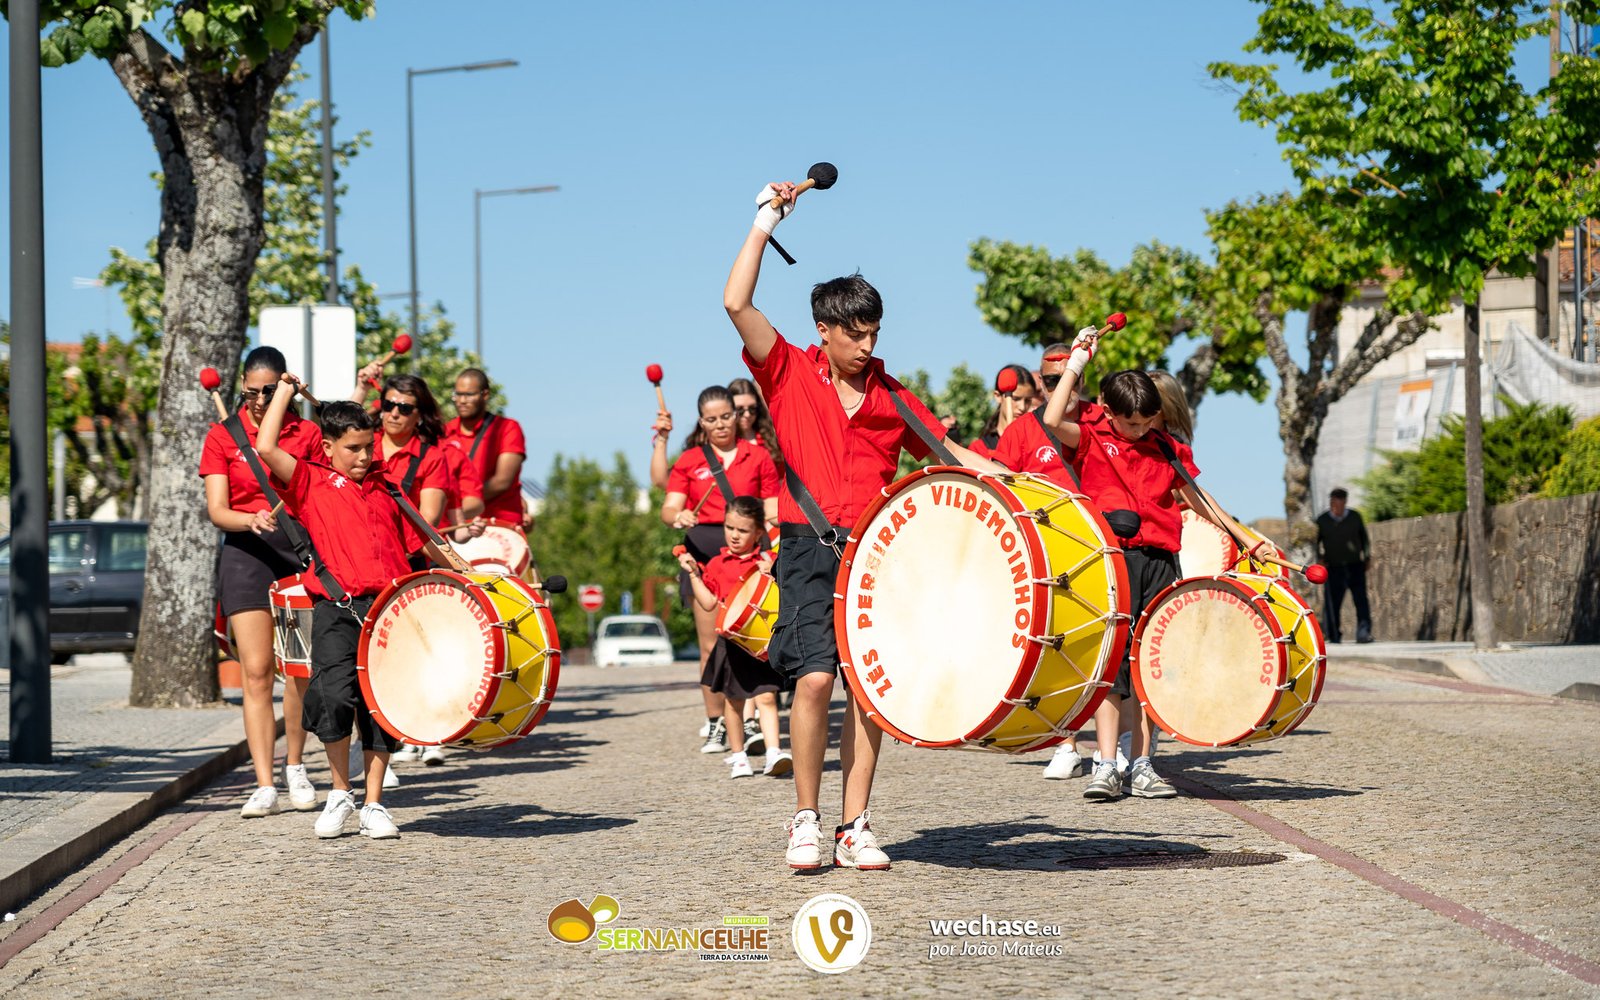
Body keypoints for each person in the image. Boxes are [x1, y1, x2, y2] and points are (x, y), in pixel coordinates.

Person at [725, 176, 1005, 870]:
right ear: (824, 329)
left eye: (875, 331)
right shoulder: (786, 370)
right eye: (855, 333)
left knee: (868, 692)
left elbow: (950, 454)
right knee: (815, 681)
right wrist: (764, 221)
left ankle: (855, 826)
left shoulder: (890, 393)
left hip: (876, 559)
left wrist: (1011, 481)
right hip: (803, 548)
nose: (866, 343)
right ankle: (804, 819)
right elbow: (736, 301)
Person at [256, 380, 451, 840]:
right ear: (327, 447)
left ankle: (375, 802)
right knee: (335, 698)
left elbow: (423, 539)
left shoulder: (388, 489)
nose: (364, 457)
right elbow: (265, 446)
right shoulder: (309, 481)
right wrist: (284, 390)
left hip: (388, 609)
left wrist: (467, 576)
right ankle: (340, 793)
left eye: (369, 447)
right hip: (336, 609)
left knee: (380, 708)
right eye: (354, 449)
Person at [1040, 337, 1229, 802]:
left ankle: (1142, 764)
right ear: (1107, 409)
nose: (1139, 430)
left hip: (1161, 561)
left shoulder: (1166, 449)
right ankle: (1105, 765)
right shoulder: (1089, 437)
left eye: (1147, 421)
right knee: (1111, 667)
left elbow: (1199, 501)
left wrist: (1245, 538)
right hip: (1115, 563)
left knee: (1147, 667)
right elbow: (1050, 417)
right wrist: (1077, 362)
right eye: (1130, 422)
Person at [200, 346, 323, 818]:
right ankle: (264, 782)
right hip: (246, 553)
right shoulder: (222, 435)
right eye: (249, 391)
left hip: (296, 552)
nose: (256, 400)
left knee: (299, 668)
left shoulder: (308, 433)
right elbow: (217, 509)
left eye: (268, 391)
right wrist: (247, 520)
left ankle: (295, 765)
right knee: (255, 672)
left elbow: (317, 494)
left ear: (286, 388)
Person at [660, 385, 780, 752]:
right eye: (711, 420)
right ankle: (716, 723)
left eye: (725, 417)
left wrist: (772, 552)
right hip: (705, 555)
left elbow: (773, 508)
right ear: (702, 422)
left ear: (737, 416)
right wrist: (677, 515)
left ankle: (754, 719)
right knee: (711, 643)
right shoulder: (689, 460)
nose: (720, 425)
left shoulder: (757, 456)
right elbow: (669, 508)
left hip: (750, 556)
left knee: (754, 637)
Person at [676, 495, 792, 779]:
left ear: (758, 533)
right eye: (730, 528)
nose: (734, 536)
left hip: (759, 644)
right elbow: (707, 603)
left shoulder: (767, 561)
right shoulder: (717, 563)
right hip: (731, 644)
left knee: (767, 698)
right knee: (734, 702)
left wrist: (773, 572)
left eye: (742, 530)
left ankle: (773, 752)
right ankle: (739, 756)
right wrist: (693, 574)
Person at [443, 368, 527, 529]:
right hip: (458, 527)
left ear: (485, 395)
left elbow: (502, 481)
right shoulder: (445, 432)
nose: (461, 400)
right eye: (458, 394)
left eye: (469, 395)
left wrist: (461, 504)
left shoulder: (507, 428)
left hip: (500, 524)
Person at [1316, 488, 1373, 643]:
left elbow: (1364, 538)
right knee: (1332, 603)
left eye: (1338, 501)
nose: (1335, 505)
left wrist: (1367, 557)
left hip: (1355, 566)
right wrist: (1320, 558)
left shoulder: (1354, 517)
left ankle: (1363, 632)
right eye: (1332, 501)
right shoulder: (1322, 521)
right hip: (1333, 567)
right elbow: (1316, 541)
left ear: (1344, 502)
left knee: (1361, 600)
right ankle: (1333, 634)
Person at [969, 364, 1039, 459]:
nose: (1022, 407)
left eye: (1028, 400)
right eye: (1015, 399)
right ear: (997, 396)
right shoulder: (979, 449)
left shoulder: (1037, 443)